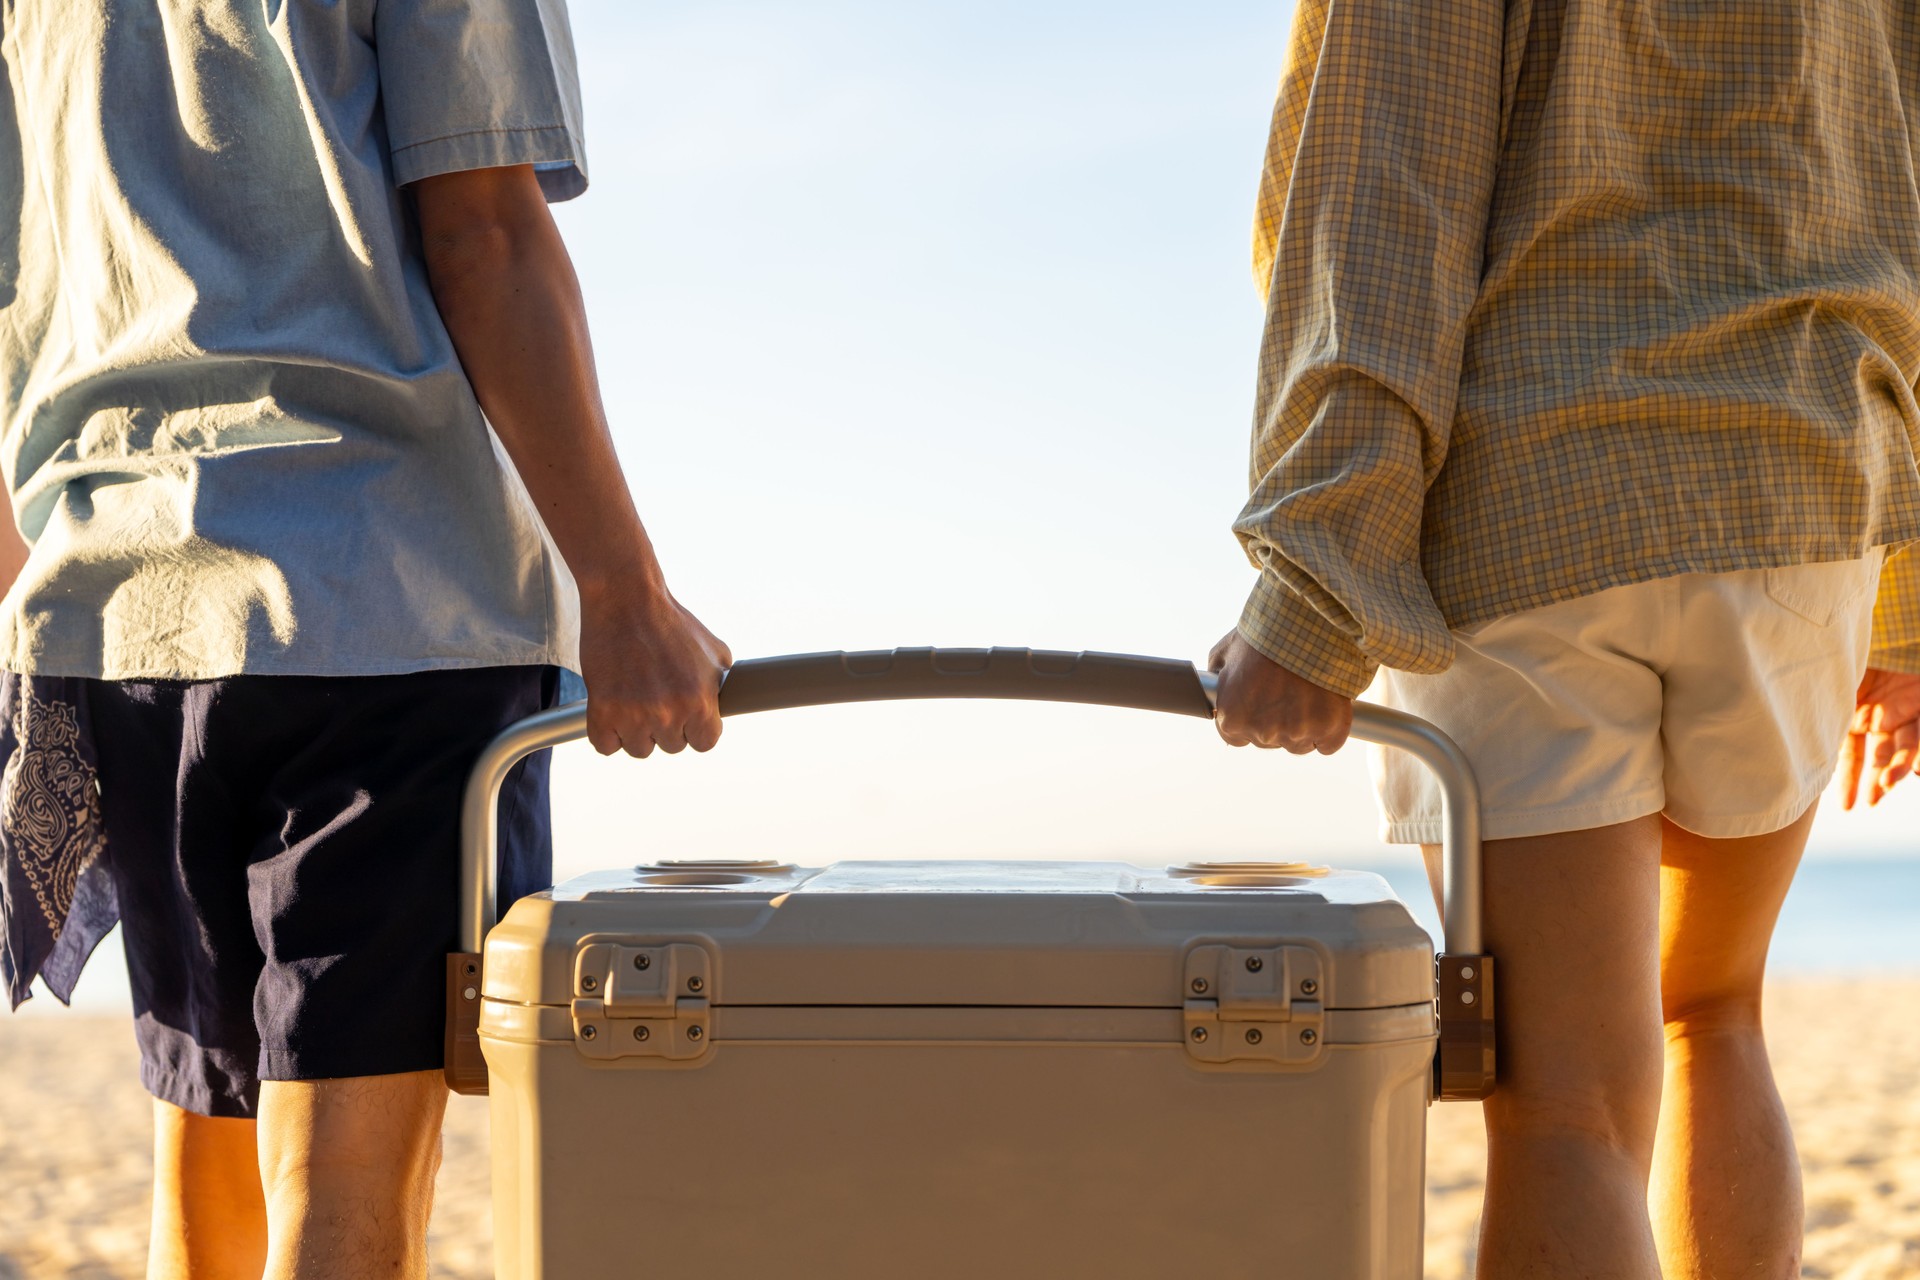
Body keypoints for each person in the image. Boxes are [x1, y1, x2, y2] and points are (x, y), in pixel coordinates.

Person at [0, 3, 727, 1277]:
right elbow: (486, 232)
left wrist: (29, 605)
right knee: (346, 1188)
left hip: (114, 615)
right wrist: (622, 591)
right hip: (380, 606)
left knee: (204, 1171)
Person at [1210, 1, 1920, 1276]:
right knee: (1716, 1011)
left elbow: (1384, 187)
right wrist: (1909, 602)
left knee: (1565, 1102)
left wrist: (1319, 585)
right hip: (1806, 478)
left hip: (1539, 492)